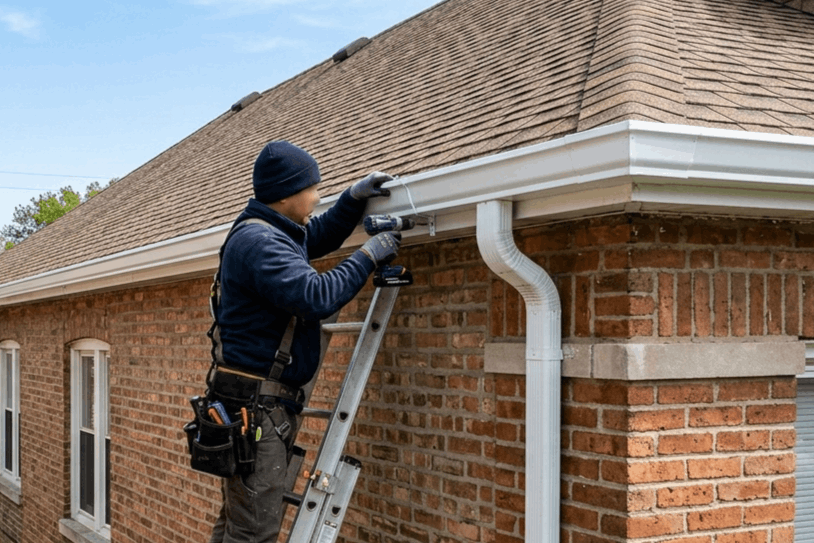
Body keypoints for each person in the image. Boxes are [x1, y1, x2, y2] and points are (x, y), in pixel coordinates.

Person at [207, 141, 401, 543]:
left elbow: (316, 236)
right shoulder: (259, 243)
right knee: (253, 533)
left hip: (252, 404)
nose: (316, 197)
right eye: (312, 189)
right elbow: (317, 297)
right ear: (286, 194)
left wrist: (352, 198)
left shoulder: (268, 229)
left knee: (238, 526)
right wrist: (368, 255)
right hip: (256, 411)